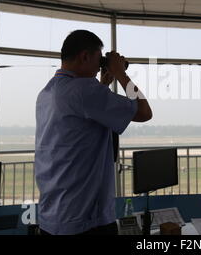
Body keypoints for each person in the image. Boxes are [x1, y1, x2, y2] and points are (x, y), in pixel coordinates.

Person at [35, 30, 152, 235]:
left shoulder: (48, 92)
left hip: (54, 217)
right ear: (85, 56)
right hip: (86, 220)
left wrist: (104, 84)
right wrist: (121, 75)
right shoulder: (84, 90)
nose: (101, 65)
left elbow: (84, 116)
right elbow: (144, 111)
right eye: (100, 58)